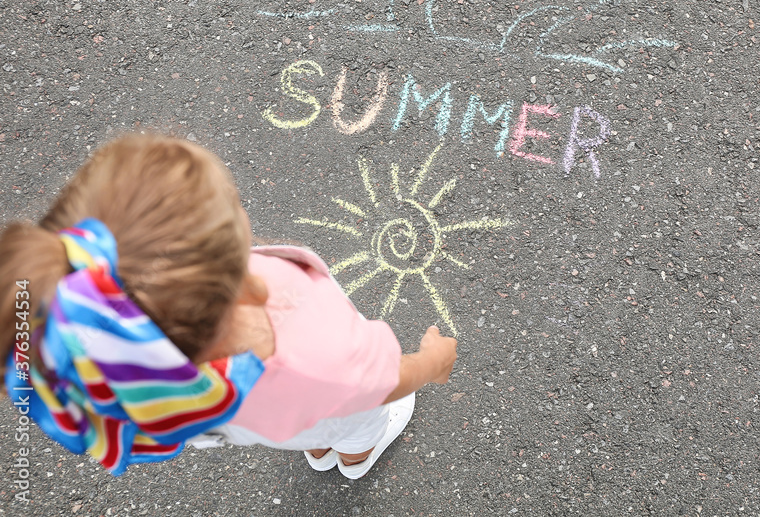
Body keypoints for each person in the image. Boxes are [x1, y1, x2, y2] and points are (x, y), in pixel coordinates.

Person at [0, 132, 457, 478]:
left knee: (309, 431)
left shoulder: (155, 374)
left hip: (273, 419)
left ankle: (317, 451)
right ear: (230, 283)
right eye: (233, 204)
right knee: (355, 424)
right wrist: (431, 363)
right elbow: (384, 382)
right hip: (334, 400)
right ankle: (356, 457)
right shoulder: (323, 356)